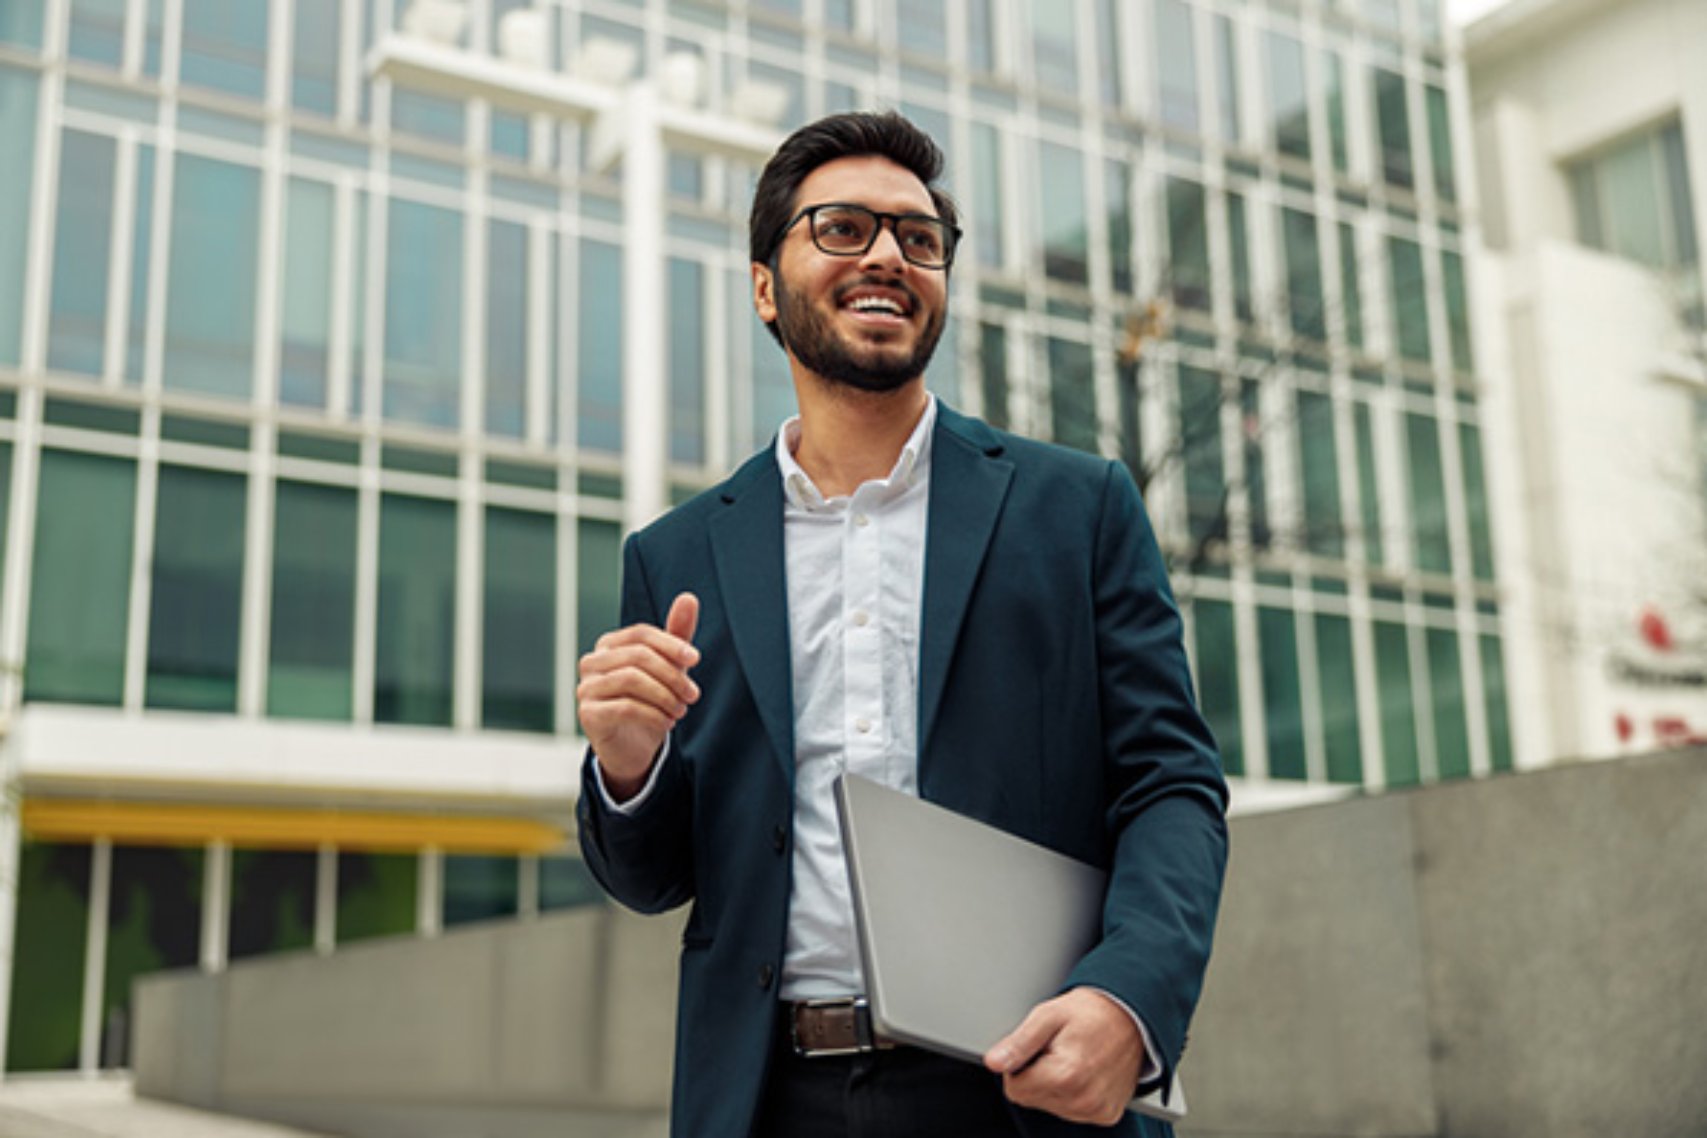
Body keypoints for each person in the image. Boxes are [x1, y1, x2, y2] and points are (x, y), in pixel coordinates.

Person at [576, 110, 1227, 1138]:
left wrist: (1128, 997)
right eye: (842, 227)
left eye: (919, 238)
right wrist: (626, 768)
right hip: (764, 1100)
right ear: (763, 287)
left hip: (1022, 1091)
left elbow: (1172, 785)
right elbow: (653, 877)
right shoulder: (678, 556)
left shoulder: (1080, 509)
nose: (887, 252)